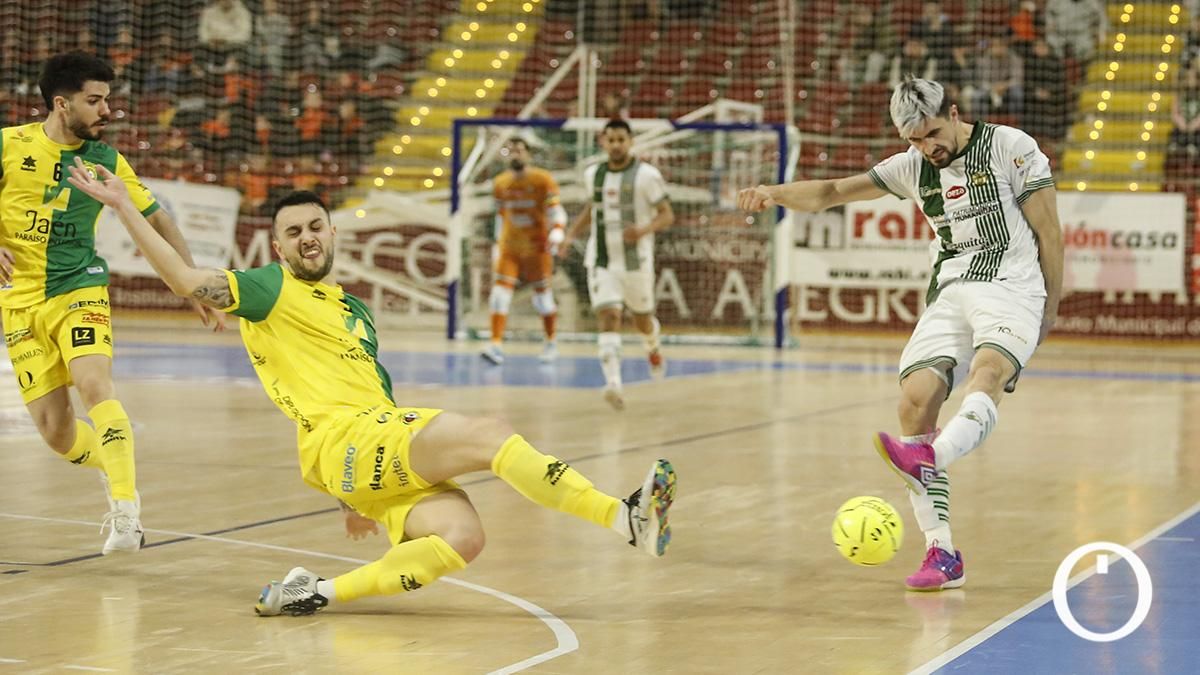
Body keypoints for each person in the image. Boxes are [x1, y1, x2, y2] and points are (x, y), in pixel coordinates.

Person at [65, 171, 678, 616]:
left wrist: (348, 494)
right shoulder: (269, 287)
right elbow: (184, 279)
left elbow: (366, 392)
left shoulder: (356, 310)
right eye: (292, 232)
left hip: (361, 449)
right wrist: (123, 205)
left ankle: (314, 594)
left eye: (314, 227)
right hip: (347, 440)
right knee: (489, 433)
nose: (306, 238)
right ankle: (625, 520)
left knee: (464, 538)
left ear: (331, 233)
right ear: (276, 247)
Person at [737, 78, 1063, 591]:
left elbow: (1049, 231)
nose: (926, 148)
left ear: (954, 112)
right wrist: (771, 192)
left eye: (932, 134)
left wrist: (1051, 307)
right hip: (952, 289)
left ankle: (929, 458)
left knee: (988, 371)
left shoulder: (1009, 147)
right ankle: (942, 552)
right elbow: (829, 193)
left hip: (1013, 285)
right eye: (913, 140)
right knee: (914, 402)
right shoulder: (911, 167)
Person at [0, 52, 224, 555]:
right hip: (18, 304)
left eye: (108, 100)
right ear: (62, 104)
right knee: (56, 434)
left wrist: (190, 283)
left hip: (79, 286)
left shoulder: (106, 160)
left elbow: (161, 220)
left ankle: (125, 513)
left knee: (94, 383)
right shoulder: (8, 146)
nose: (107, 111)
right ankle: (113, 462)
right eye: (95, 101)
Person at [560, 119, 675, 411]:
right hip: (601, 261)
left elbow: (667, 215)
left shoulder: (647, 176)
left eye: (621, 139)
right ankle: (613, 384)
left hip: (637, 263)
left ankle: (653, 347)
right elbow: (592, 208)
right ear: (603, 142)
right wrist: (571, 235)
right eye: (610, 140)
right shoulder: (593, 174)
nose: (616, 145)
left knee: (642, 322)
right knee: (609, 316)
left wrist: (643, 230)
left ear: (630, 141)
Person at [480, 137, 567, 365]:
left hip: (537, 249)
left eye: (519, 150)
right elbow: (501, 217)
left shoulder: (542, 180)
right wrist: (496, 245)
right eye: (510, 151)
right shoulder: (500, 183)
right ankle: (496, 344)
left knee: (543, 299)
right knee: (499, 296)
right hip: (509, 249)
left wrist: (557, 231)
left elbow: (556, 211)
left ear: (528, 154)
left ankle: (551, 342)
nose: (515, 154)